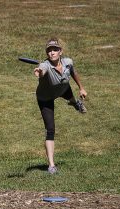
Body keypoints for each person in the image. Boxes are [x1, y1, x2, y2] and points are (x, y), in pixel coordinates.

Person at [33, 37, 87, 174]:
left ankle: (75, 103)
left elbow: (74, 73)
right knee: (50, 129)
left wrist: (81, 88)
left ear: (60, 51)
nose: (52, 53)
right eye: (49, 51)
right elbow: (42, 69)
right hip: (45, 98)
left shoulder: (68, 62)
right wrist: (39, 72)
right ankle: (51, 165)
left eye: (55, 50)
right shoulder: (45, 65)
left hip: (64, 89)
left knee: (73, 100)